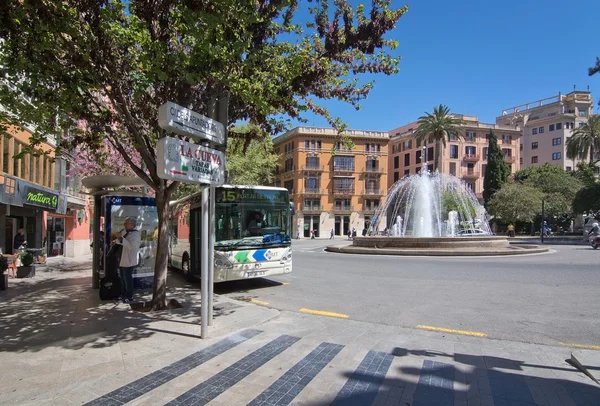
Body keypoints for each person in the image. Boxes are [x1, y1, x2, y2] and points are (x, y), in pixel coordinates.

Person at [113, 217, 141, 303]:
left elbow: (129, 245)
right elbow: (123, 242)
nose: (124, 225)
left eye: (126, 224)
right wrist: (115, 241)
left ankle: (129, 296)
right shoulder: (129, 233)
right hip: (124, 260)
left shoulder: (135, 234)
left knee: (127, 279)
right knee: (123, 278)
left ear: (132, 225)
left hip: (129, 261)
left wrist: (120, 238)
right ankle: (123, 295)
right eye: (124, 223)